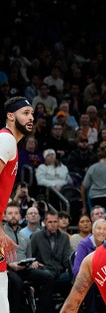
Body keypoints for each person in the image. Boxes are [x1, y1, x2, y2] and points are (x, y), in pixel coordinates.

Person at [0, 97, 34, 303]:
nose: (31, 117)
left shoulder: (10, 142)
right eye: (25, 113)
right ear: (10, 116)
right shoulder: (6, 139)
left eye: (32, 113)